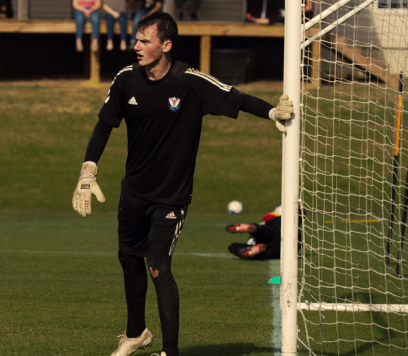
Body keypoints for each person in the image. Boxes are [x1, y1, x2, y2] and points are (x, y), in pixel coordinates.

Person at [71, 12, 293, 356]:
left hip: (171, 198)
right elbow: (104, 126)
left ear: (166, 45)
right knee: (128, 258)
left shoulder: (190, 82)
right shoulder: (126, 79)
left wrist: (271, 113)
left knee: (158, 264)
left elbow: (235, 96)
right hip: (133, 192)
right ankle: (135, 333)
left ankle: (170, 352)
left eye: (145, 41)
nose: (137, 47)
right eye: (137, 39)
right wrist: (88, 171)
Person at [226, 213, 303, 260]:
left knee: (232, 246)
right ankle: (255, 231)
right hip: (291, 246)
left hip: (270, 242)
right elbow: (300, 214)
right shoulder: (285, 220)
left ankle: (255, 231)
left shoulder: (275, 219)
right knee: (268, 233)